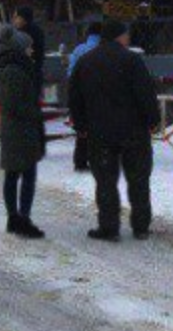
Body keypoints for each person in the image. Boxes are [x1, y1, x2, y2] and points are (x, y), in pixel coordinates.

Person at [68, 21, 160, 242]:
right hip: (134, 131)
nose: (128, 38)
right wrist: (153, 120)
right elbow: (146, 94)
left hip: (100, 132)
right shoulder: (132, 60)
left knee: (105, 181)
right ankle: (141, 227)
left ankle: (108, 228)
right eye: (126, 34)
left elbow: (74, 98)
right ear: (120, 36)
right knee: (138, 179)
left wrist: (81, 126)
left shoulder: (85, 61)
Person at [0, 25, 46, 239]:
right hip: (20, 130)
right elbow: (14, 103)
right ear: (20, 48)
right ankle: (20, 219)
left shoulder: (14, 67)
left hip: (16, 129)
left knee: (14, 175)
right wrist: (34, 113)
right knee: (24, 175)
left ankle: (15, 218)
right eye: (29, 47)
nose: (32, 51)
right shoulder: (16, 71)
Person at [67, 22, 103, 172]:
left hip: (81, 92)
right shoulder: (103, 49)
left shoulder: (79, 49)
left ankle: (80, 161)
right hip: (100, 93)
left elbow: (70, 72)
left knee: (83, 128)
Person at [13, 6, 47, 101]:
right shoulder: (38, 31)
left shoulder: (22, 35)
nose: (14, 20)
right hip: (35, 75)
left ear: (23, 19)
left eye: (16, 17)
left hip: (25, 77)